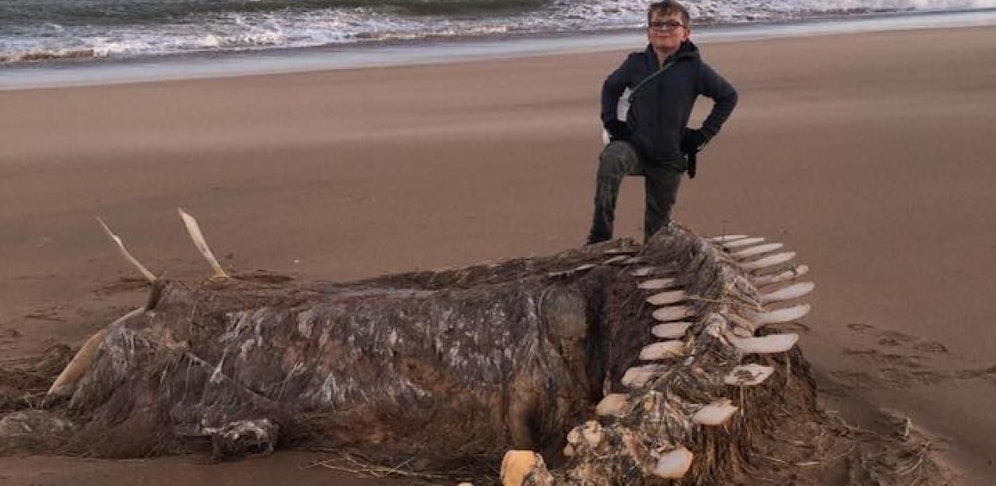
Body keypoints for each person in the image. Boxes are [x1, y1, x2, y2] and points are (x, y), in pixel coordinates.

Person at [586, 0, 737, 245]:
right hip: (633, 146)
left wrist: (702, 136)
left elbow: (728, 96)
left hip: (669, 155)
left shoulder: (696, 69)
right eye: (656, 23)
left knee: (657, 235)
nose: (663, 29)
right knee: (611, 160)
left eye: (672, 24)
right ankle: (599, 237)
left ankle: (651, 257)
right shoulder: (635, 63)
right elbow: (610, 87)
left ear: (686, 33)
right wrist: (611, 122)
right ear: (648, 31)